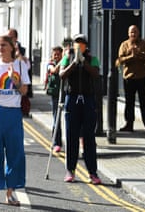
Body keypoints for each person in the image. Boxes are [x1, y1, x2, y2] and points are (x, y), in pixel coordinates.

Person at [0, 35, 30, 206]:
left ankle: (10, 193)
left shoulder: (20, 65)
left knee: (14, 154)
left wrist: (14, 78)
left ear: (12, 47)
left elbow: (23, 91)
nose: (0, 48)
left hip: (13, 114)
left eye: (3, 45)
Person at [59, 33, 101, 184]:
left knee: (89, 137)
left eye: (82, 43)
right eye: (77, 42)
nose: (79, 45)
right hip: (72, 99)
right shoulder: (67, 57)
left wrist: (84, 62)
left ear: (86, 46)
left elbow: (96, 74)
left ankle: (92, 172)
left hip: (88, 100)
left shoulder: (92, 58)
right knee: (72, 136)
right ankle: (70, 170)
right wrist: (75, 63)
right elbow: (62, 74)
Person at [117, 25, 145, 132]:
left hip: (142, 76)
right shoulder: (124, 44)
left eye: (135, 32)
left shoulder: (144, 43)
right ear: (128, 34)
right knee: (129, 102)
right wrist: (131, 55)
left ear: (138, 33)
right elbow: (120, 60)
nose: (133, 34)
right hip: (129, 77)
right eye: (131, 32)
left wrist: (139, 53)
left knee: (144, 101)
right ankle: (129, 124)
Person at [44, 46, 63, 152]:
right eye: (54, 54)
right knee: (57, 119)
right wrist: (64, 59)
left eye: (58, 54)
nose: (56, 56)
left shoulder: (65, 63)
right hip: (56, 95)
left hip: (66, 93)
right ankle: (56, 143)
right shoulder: (50, 65)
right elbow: (54, 70)